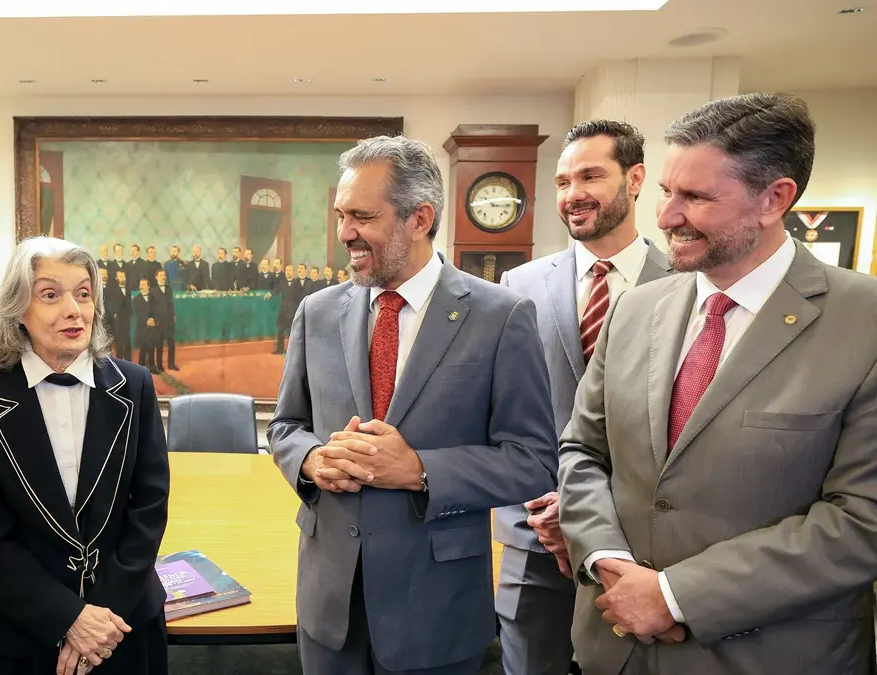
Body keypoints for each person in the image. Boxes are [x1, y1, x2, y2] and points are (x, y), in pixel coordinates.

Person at [559, 93, 877, 675]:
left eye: (696, 197)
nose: (665, 217)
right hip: (612, 646)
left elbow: (863, 519)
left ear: (775, 198)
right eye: (665, 192)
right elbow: (583, 450)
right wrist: (603, 556)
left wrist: (678, 595)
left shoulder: (865, 323)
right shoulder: (634, 309)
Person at [268, 135, 557, 675]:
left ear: (420, 218)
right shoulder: (316, 312)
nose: (344, 234)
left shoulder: (502, 316)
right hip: (329, 607)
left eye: (362, 216)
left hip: (436, 610)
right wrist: (310, 460)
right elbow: (286, 426)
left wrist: (420, 469)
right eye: (340, 215)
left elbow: (534, 460)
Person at [492, 120, 671, 675]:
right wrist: (548, 511)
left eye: (591, 175)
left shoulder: (688, 283)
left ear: (635, 178)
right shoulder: (518, 286)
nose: (573, 194)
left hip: (645, 547)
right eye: (564, 181)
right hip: (534, 536)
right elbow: (501, 413)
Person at [0, 236, 170, 675]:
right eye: (50, 295)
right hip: (23, 632)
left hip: (123, 624)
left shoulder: (136, 386)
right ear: (18, 311)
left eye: (84, 293)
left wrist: (98, 620)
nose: (74, 309)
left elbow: (148, 509)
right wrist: (67, 618)